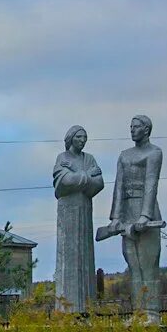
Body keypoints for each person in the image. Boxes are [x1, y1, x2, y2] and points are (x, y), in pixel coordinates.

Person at [109, 115, 163, 323]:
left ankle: (152, 313)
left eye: (136, 126)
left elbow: (151, 183)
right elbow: (119, 187)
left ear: (147, 129)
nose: (132, 130)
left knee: (148, 264)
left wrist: (145, 215)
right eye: (130, 126)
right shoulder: (124, 155)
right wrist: (115, 217)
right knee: (133, 264)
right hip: (127, 214)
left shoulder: (154, 153)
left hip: (146, 212)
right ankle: (138, 312)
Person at [53, 125, 104, 312]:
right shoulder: (63, 158)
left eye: (85, 137)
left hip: (85, 209)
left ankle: (86, 308)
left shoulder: (89, 158)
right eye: (79, 137)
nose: (82, 140)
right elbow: (64, 183)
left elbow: (99, 184)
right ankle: (68, 308)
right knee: (69, 256)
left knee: (86, 256)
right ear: (71, 138)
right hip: (68, 211)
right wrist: (87, 175)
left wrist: (77, 175)